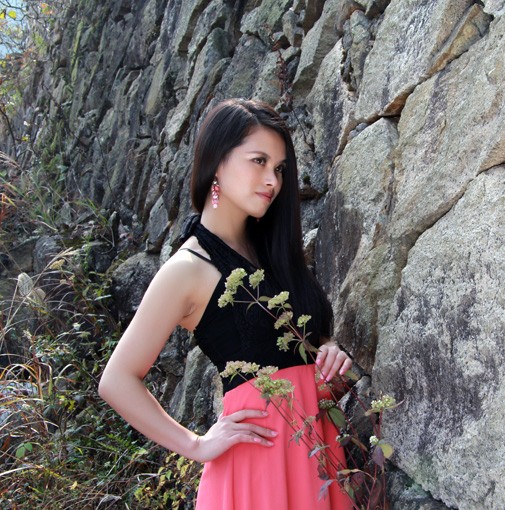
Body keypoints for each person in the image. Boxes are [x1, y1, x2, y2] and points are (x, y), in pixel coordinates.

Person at [99, 99, 353, 509]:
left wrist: (328, 352)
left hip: (317, 457)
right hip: (258, 469)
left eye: (280, 169)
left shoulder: (272, 252)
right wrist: (195, 444)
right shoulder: (187, 269)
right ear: (217, 162)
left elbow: (304, 343)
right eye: (259, 161)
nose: (272, 180)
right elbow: (116, 380)